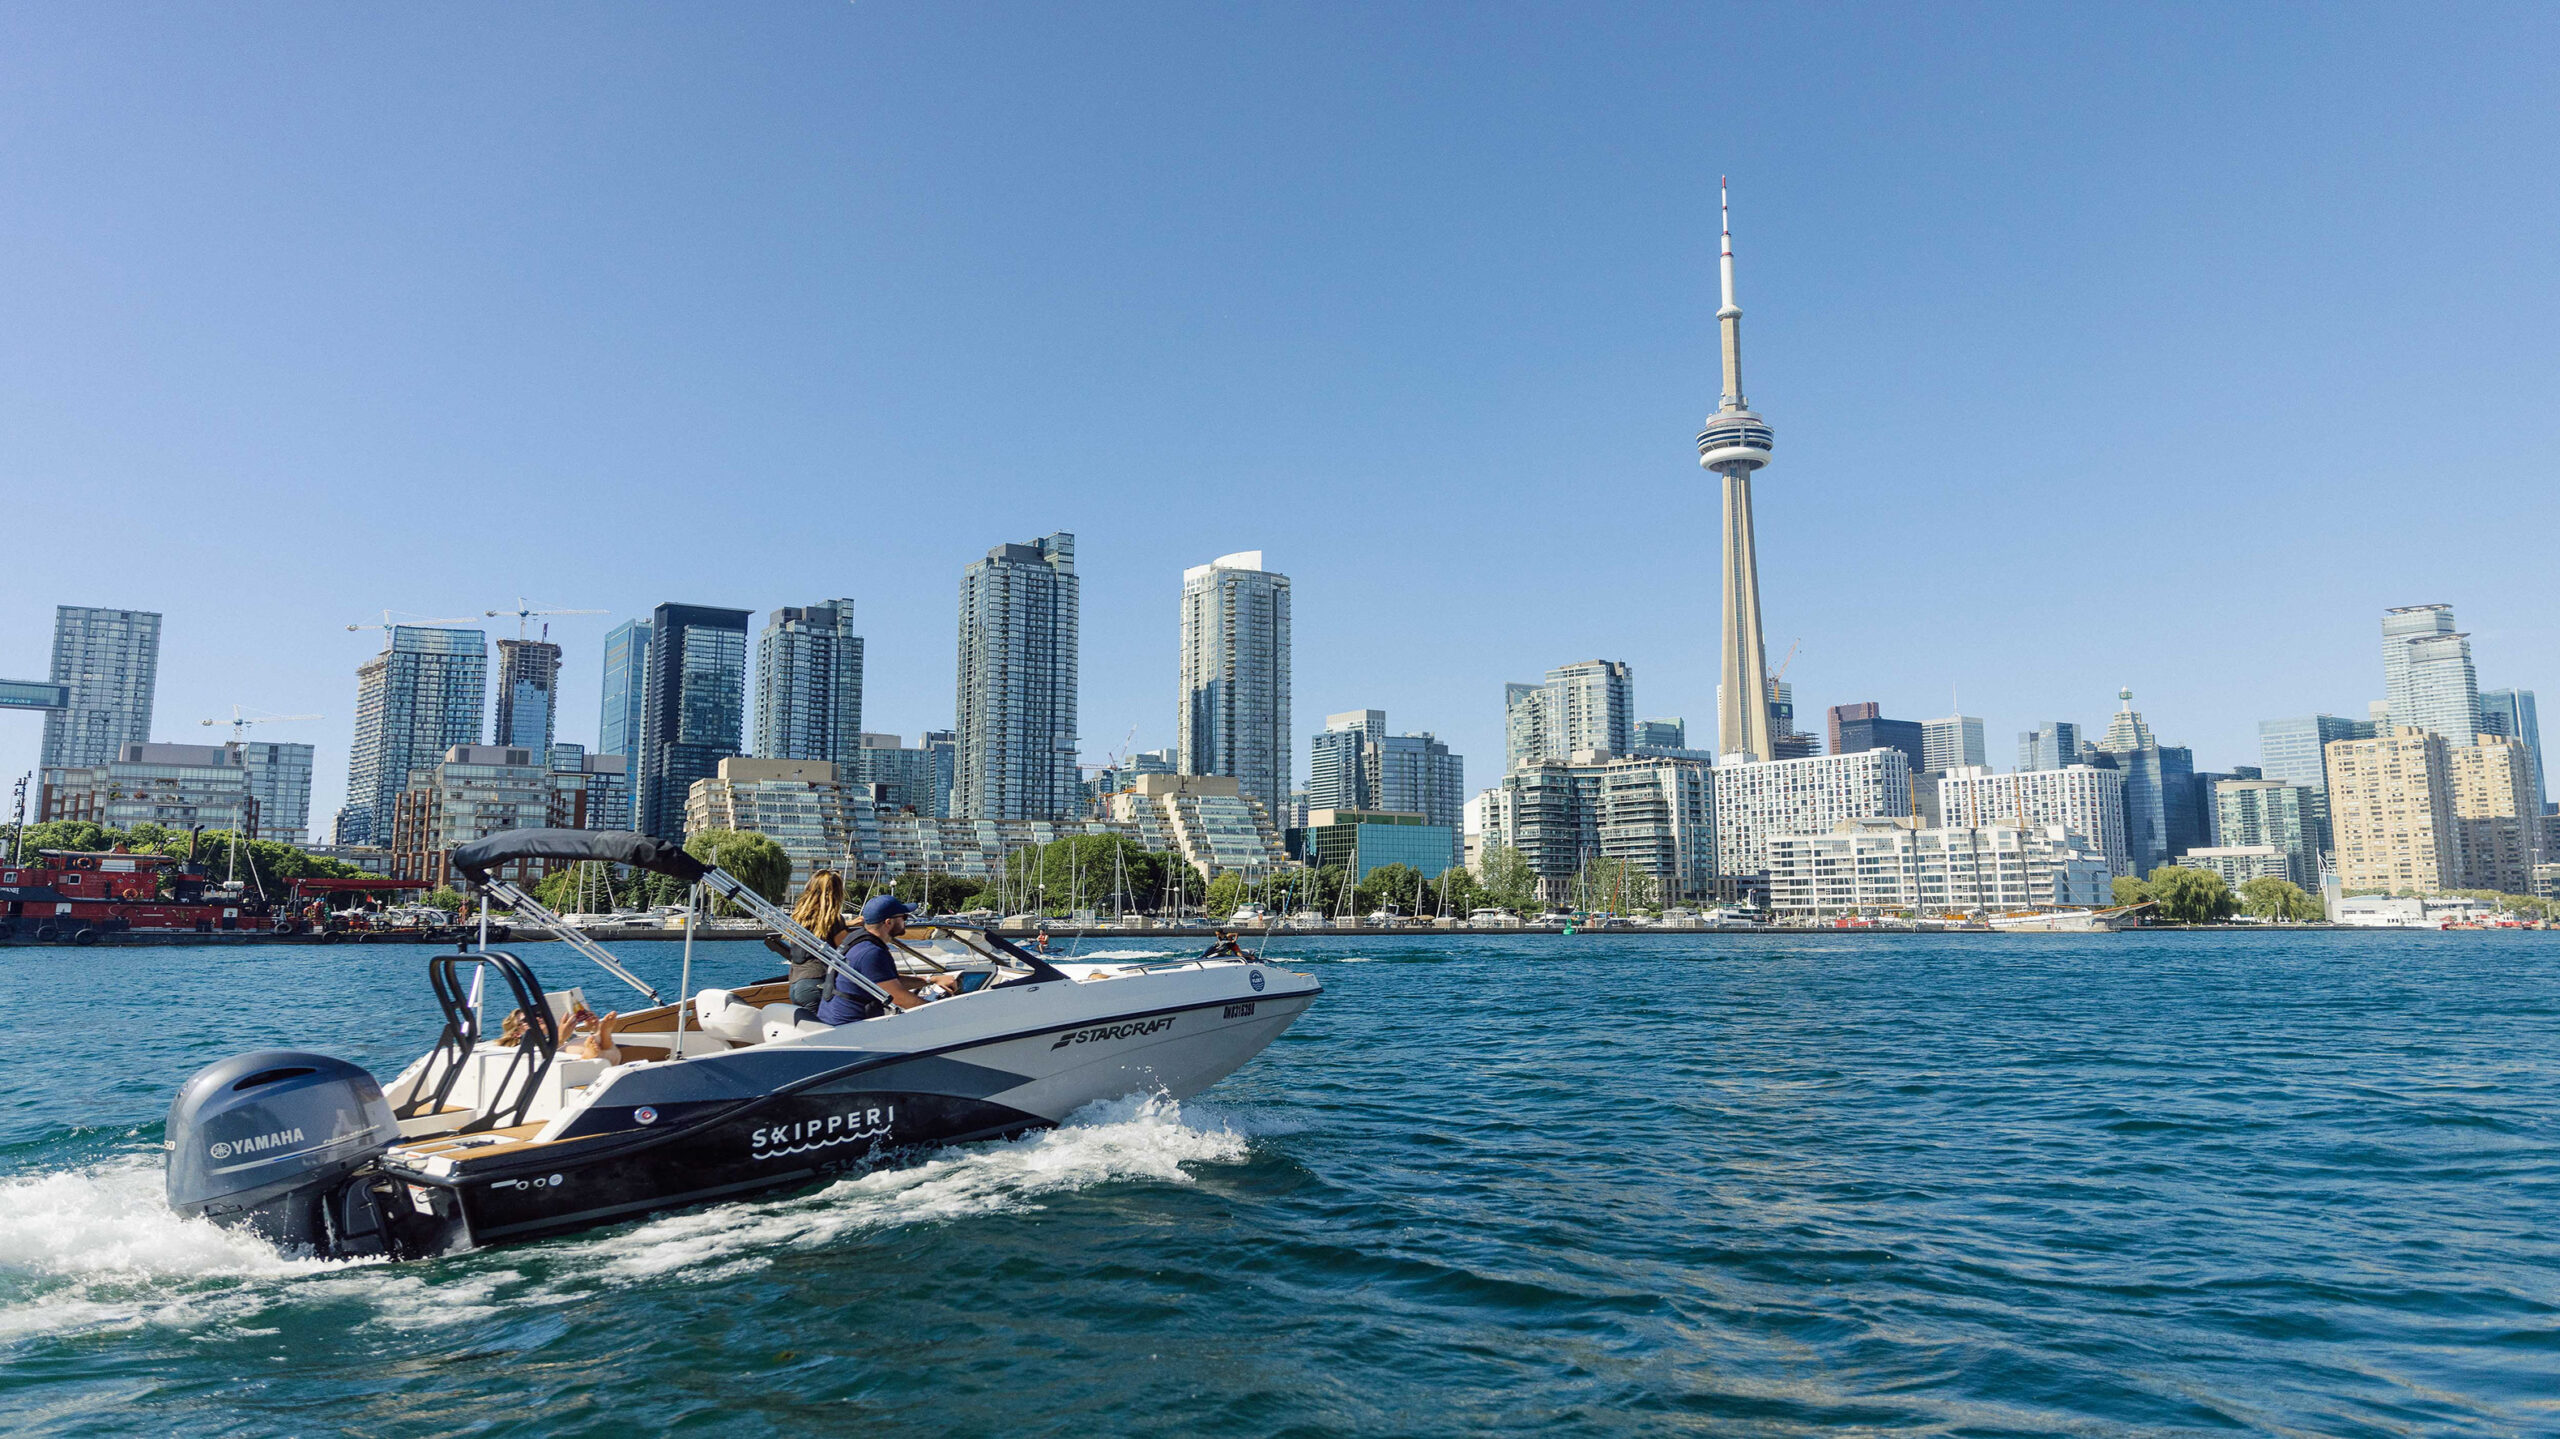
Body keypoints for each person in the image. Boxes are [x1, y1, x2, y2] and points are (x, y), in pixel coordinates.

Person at [817, 895, 959, 1025]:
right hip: (851, 1029)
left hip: (836, 1022)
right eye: (903, 917)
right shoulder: (871, 953)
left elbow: (888, 982)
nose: (906, 921)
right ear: (888, 922)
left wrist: (932, 980)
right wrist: (941, 1013)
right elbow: (898, 998)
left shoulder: (859, 942)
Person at [777, 871, 850, 1009]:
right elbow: (847, 950)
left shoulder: (799, 918)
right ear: (836, 892)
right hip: (817, 984)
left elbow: (819, 932)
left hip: (796, 985)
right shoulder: (834, 920)